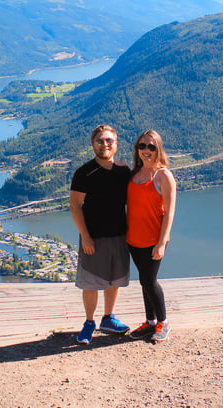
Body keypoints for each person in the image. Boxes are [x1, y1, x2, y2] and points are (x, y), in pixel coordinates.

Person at [69, 124, 132, 344]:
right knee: (90, 282)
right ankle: (89, 323)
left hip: (120, 236)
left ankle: (108, 318)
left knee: (115, 279)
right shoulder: (84, 173)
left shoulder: (124, 170)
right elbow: (75, 206)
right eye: (100, 141)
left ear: (116, 143)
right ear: (93, 144)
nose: (105, 144)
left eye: (109, 140)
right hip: (93, 237)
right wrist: (85, 236)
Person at [126, 129, 177, 342]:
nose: (146, 150)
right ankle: (150, 322)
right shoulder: (133, 175)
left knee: (149, 280)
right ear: (137, 149)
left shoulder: (163, 176)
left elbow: (170, 212)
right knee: (144, 281)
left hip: (153, 240)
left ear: (158, 149)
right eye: (142, 146)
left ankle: (163, 322)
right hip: (133, 239)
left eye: (151, 146)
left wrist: (162, 243)